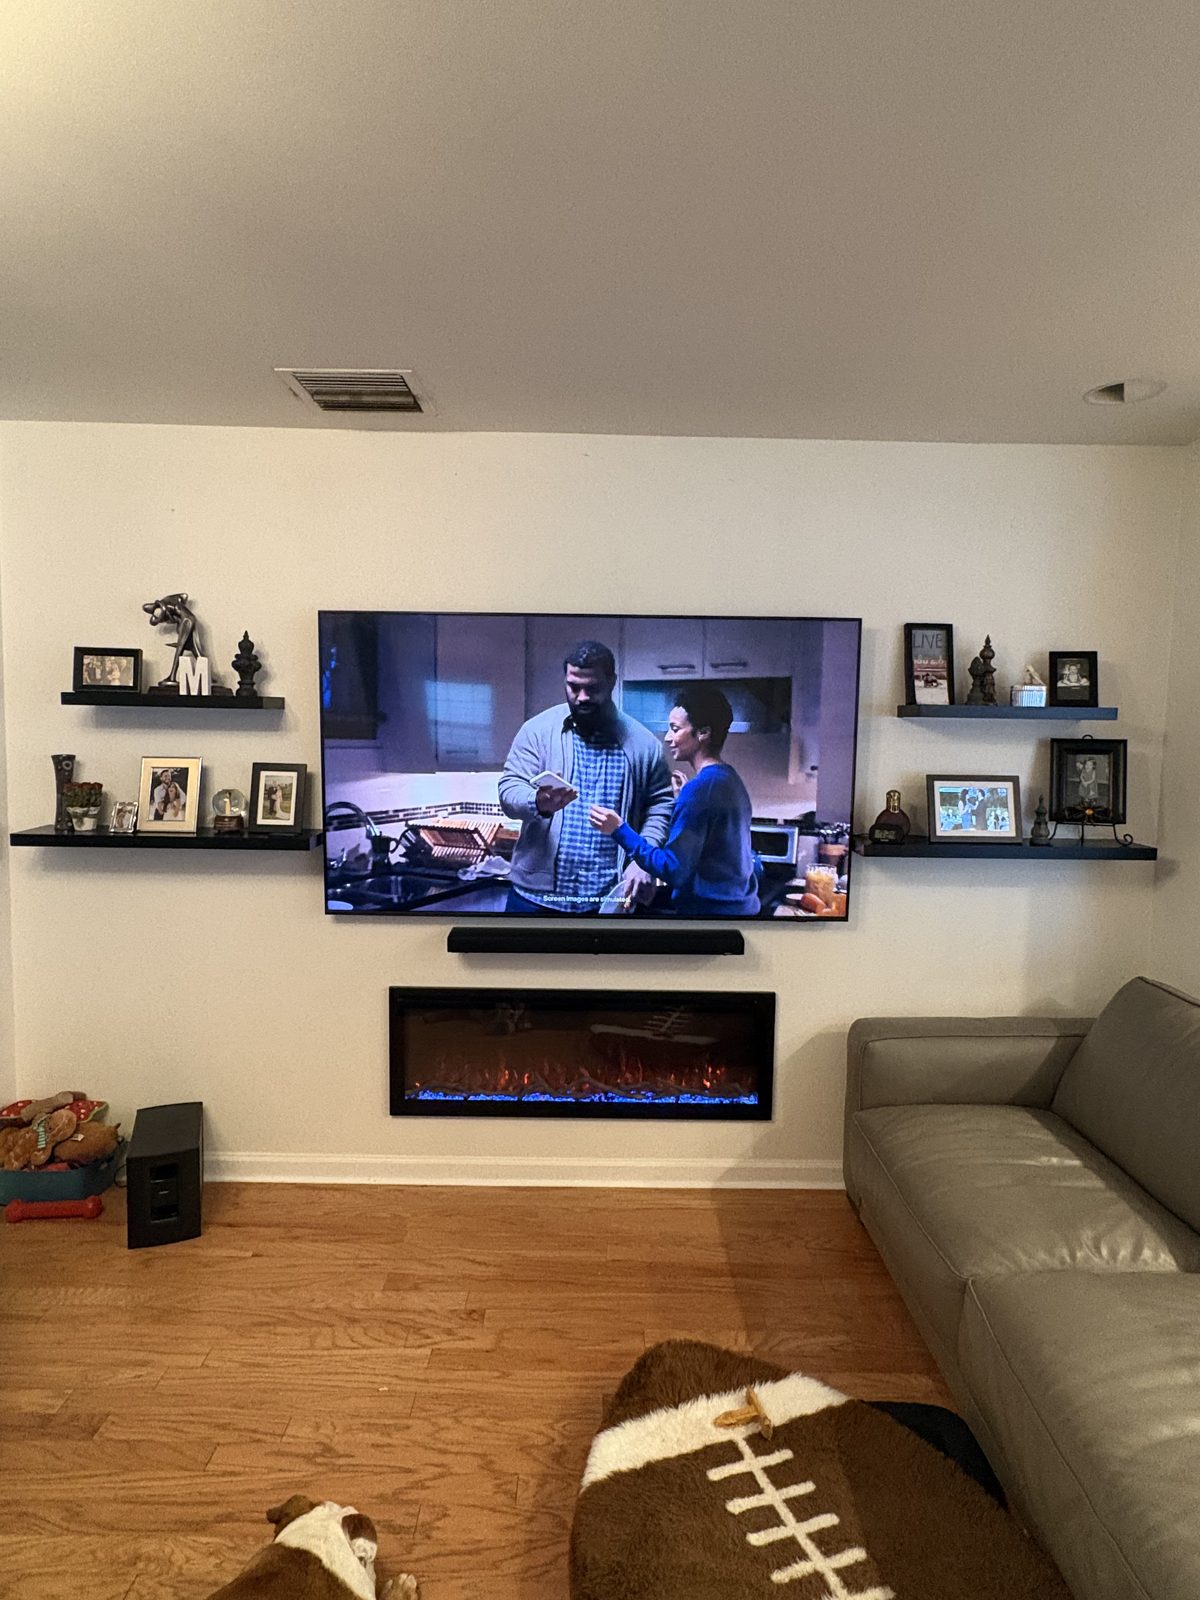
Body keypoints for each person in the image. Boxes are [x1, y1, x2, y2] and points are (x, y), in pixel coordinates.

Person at [498, 640, 674, 914]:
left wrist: (643, 858)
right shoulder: (536, 732)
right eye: (573, 687)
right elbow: (509, 790)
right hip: (534, 899)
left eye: (592, 688)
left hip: (609, 900)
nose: (581, 697)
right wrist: (537, 801)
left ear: (611, 682)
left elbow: (661, 806)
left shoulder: (644, 745)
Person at [587, 684, 760, 918]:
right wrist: (683, 801)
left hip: (709, 918)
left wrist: (618, 830)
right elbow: (709, 851)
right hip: (738, 910)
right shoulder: (728, 778)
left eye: (675, 729)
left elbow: (673, 869)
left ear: (703, 733)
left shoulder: (701, 790)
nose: (668, 738)